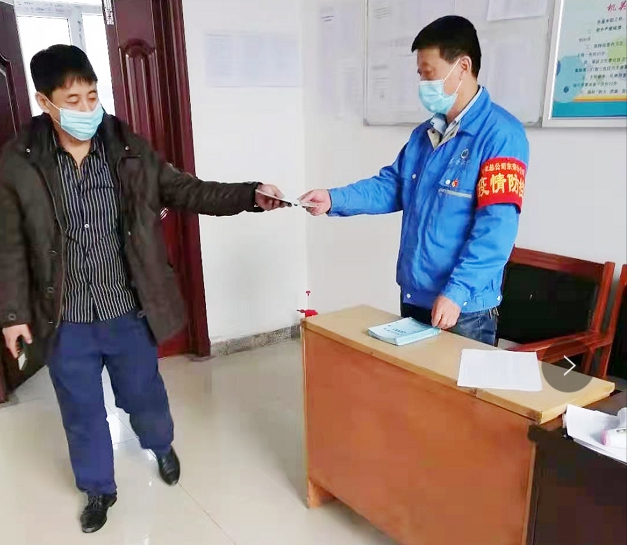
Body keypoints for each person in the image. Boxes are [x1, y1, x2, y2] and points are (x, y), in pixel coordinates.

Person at [0, 45, 287, 534]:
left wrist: (249, 195)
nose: (88, 109)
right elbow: (8, 244)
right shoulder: (18, 161)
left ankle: (160, 445)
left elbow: (187, 189)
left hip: (126, 308)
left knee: (144, 396)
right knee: (81, 411)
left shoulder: (126, 147)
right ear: (44, 102)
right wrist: (12, 315)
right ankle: (98, 488)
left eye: (93, 96)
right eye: (73, 100)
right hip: (63, 317)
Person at [301, 16, 529, 346]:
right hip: (415, 296)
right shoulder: (425, 134)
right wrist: (333, 199)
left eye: (429, 73)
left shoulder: (500, 136)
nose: (423, 83)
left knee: (454, 383)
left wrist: (457, 292)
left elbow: (496, 230)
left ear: (463, 67)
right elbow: (393, 186)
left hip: (463, 309)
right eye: (420, 74)